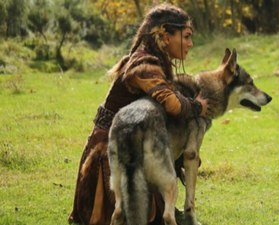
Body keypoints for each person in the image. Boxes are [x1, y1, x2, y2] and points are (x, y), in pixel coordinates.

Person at [68, 3, 207, 225]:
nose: (190, 43)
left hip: (137, 141)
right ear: (164, 34)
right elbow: (172, 105)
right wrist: (196, 106)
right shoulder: (144, 63)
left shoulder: (155, 59)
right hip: (113, 149)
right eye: (186, 36)